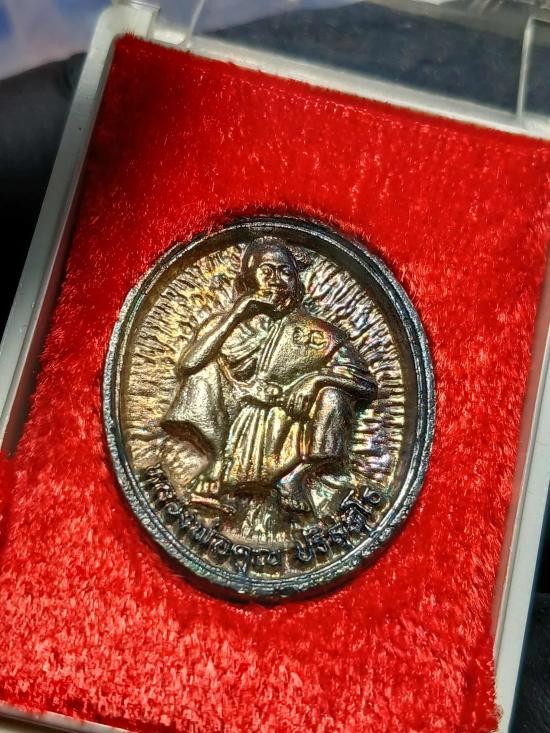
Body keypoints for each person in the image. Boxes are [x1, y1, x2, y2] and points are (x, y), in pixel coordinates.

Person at [161, 236, 377, 513]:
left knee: (334, 394)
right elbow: (188, 365)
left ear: (297, 282)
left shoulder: (317, 333)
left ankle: (297, 475)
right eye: (266, 270)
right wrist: (236, 315)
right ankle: (217, 460)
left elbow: (366, 384)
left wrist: (317, 379)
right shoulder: (224, 325)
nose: (276, 280)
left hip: (290, 415)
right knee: (203, 371)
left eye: (285, 271)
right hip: (235, 410)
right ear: (247, 280)